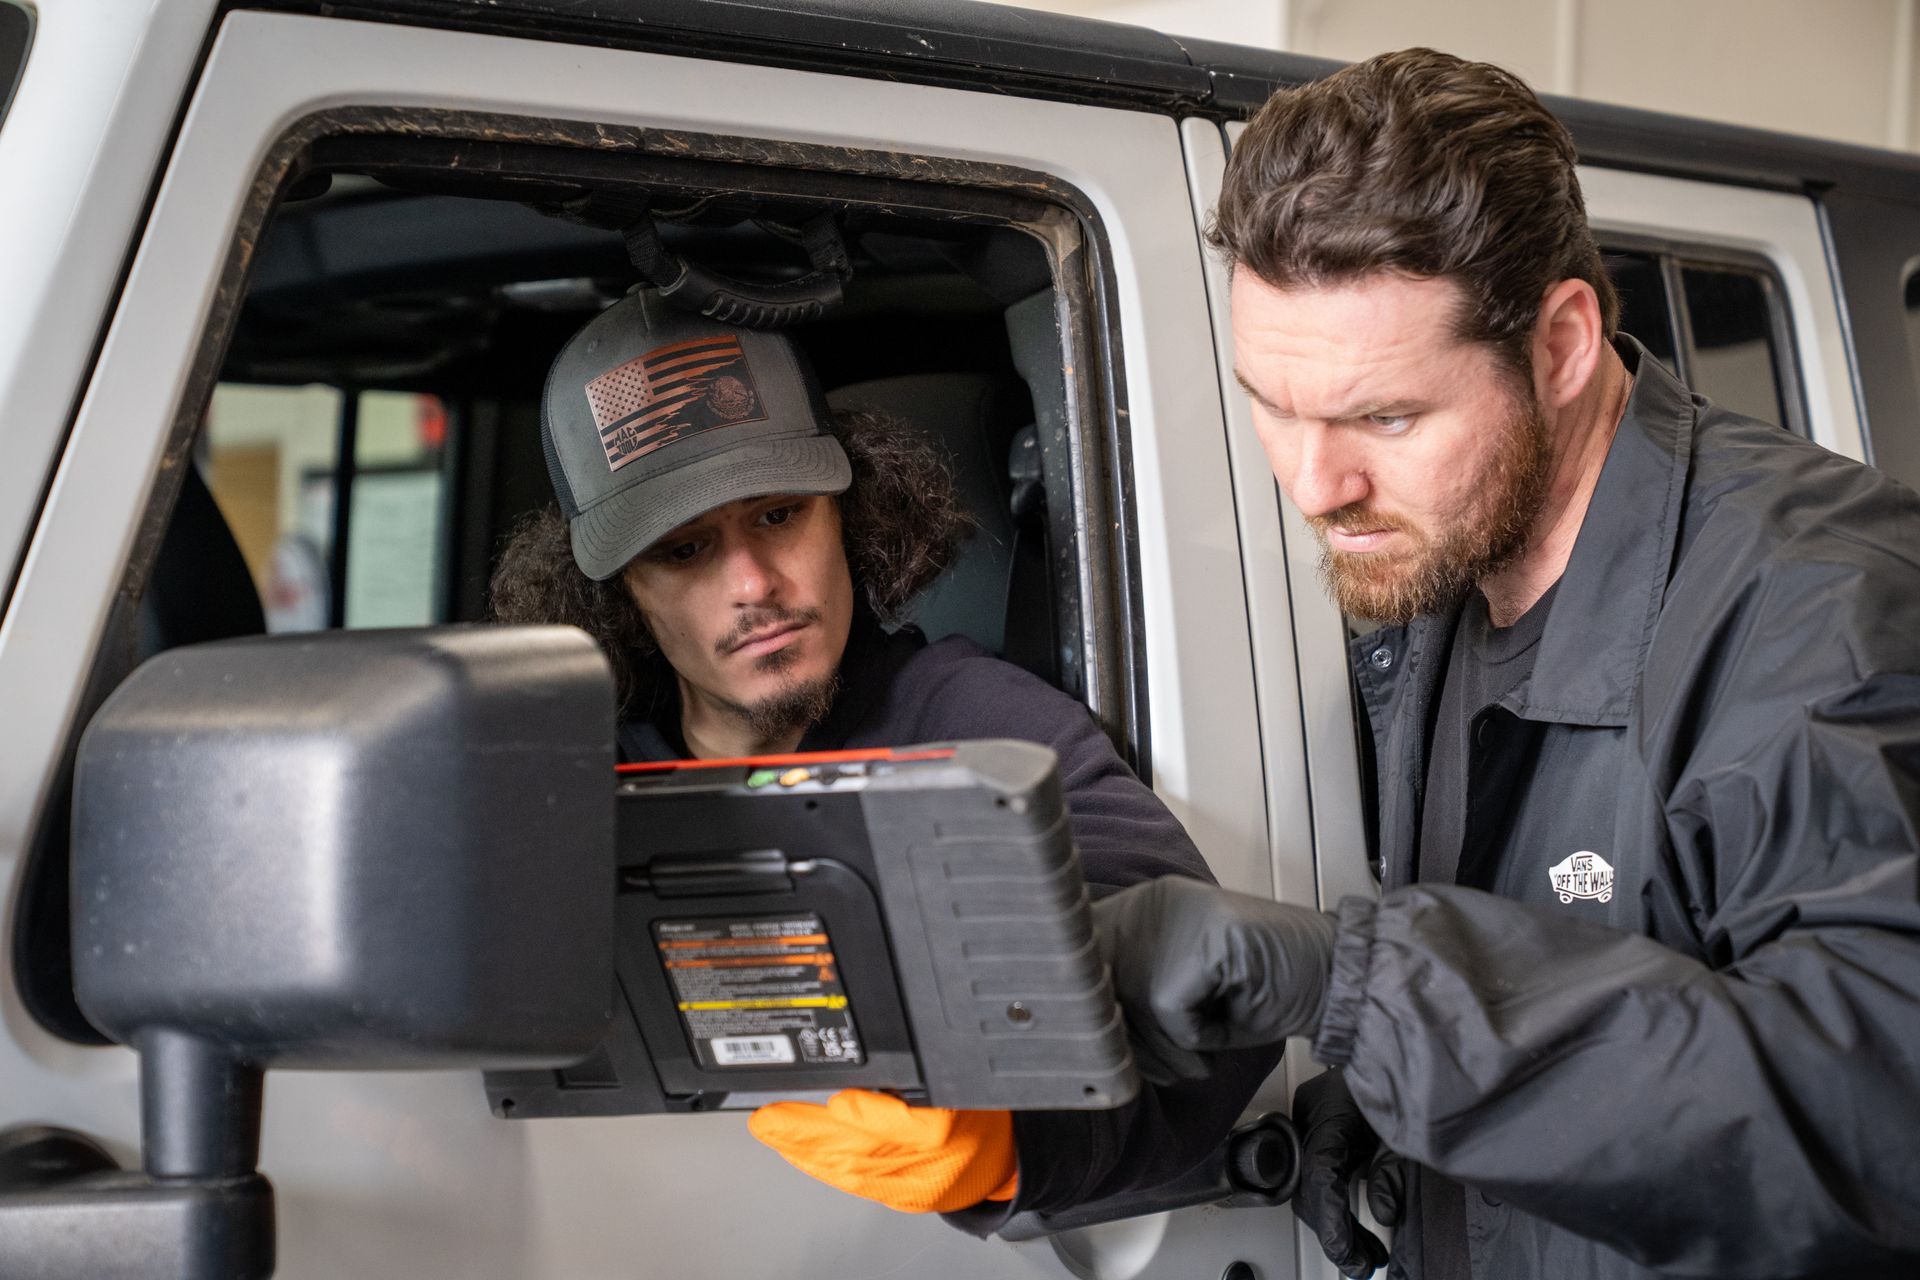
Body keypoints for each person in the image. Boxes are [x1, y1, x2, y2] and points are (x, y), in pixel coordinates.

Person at [1090, 48, 1920, 1280]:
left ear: (1563, 343)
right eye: (1273, 402)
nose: (1316, 484)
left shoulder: (1820, 613)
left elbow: (1880, 1126)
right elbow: (1593, 996)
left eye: (1385, 416)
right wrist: (1404, 1103)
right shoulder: (1443, 572)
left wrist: (1361, 991)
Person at [490, 286, 1278, 1229]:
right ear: (622, 595)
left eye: (779, 516)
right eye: (686, 549)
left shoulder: (982, 731)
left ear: (850, 513)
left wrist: (1014, 1144)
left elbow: (1208, 1002)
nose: (752, 584)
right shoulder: (572, 795)